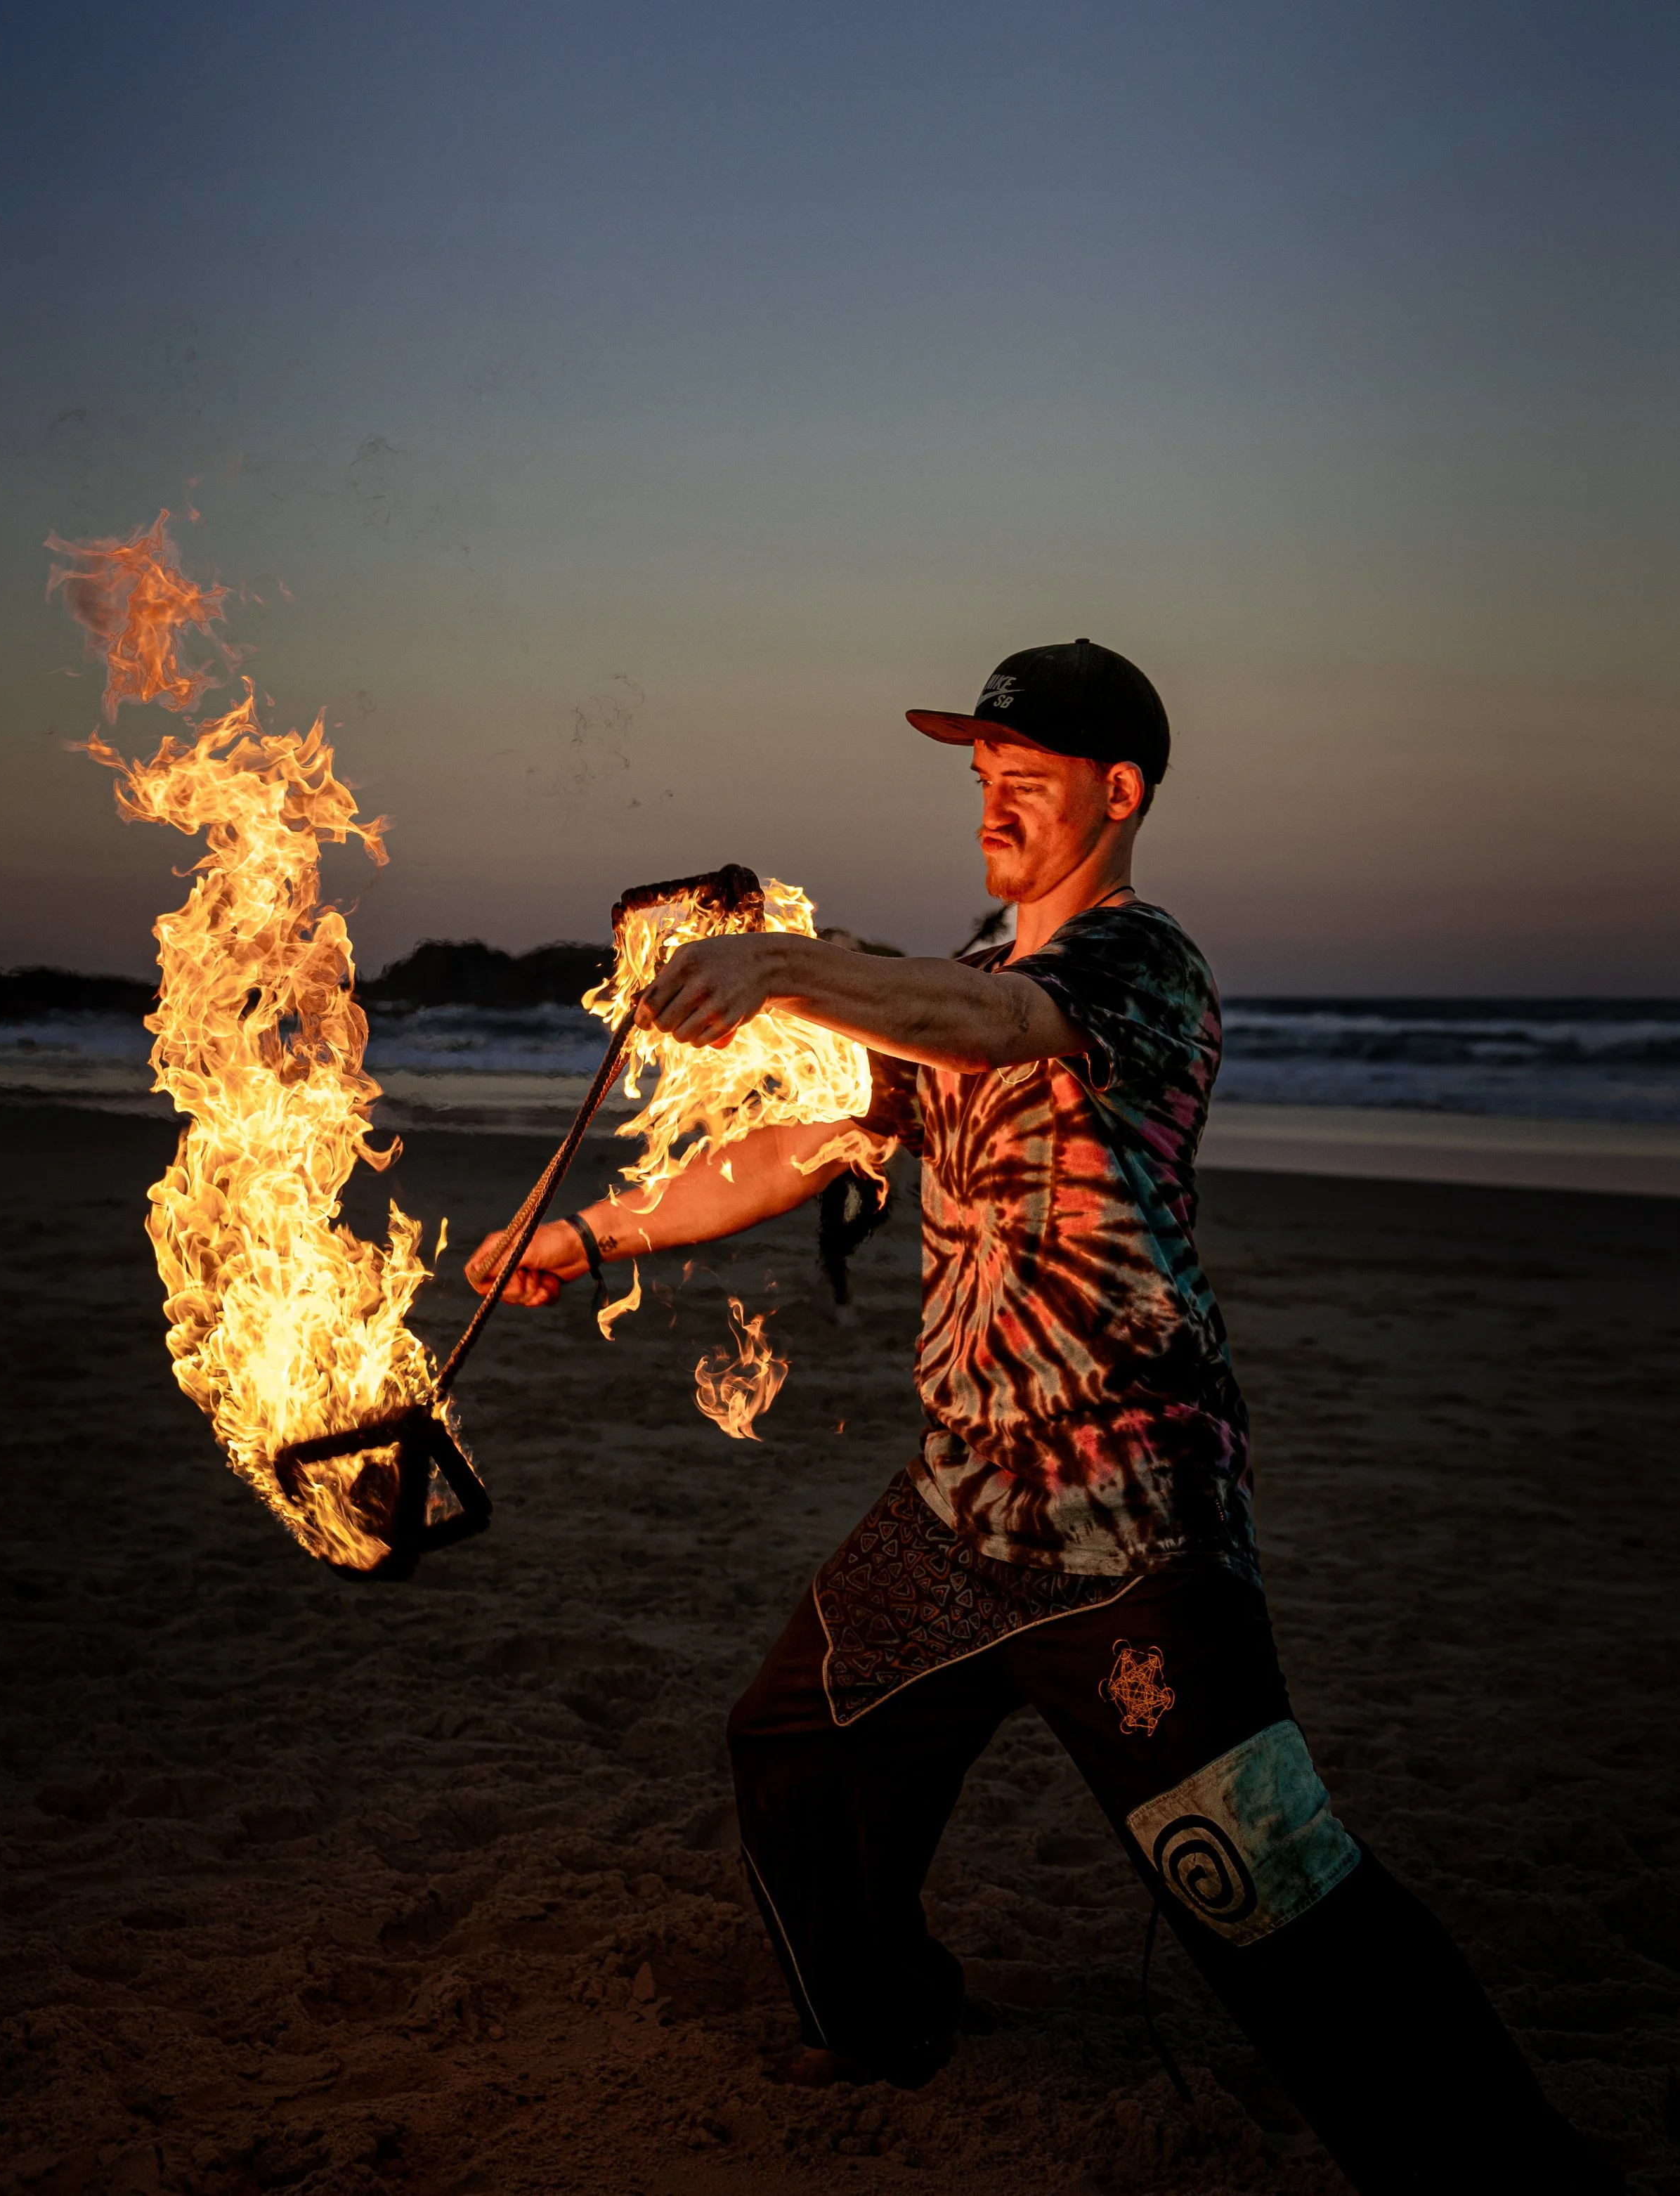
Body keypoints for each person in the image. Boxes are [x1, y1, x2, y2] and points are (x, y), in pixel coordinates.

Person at [466, 639, 1620, 2195]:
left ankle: (1512, 2174)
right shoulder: (956, 982)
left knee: (1261, 1877)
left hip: (1126, 1518)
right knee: (792, 1745)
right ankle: (885, 2025)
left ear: (1118, 790)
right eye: (977, 766)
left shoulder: (1138, 967)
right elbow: (809, 1147)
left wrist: (788, 969)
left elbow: (996, 1025)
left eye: (1025, 768)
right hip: (959, 1512)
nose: (988, 792)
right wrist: (594, 1233)